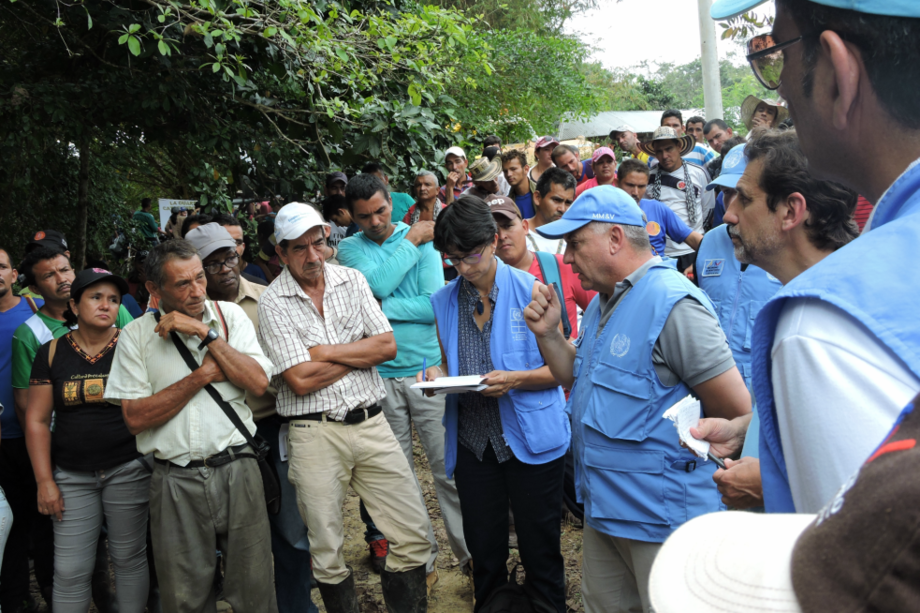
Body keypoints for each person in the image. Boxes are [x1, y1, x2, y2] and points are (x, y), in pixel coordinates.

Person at [522, 186, 751, 613]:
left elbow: (737, 414)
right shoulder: (602, 303)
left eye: (574, 243)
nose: (567, 258)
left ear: (615, 239)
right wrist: (550, 334)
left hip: (662, 522)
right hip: (606, 510)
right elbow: (576, 375)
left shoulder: (673, 305)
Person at [692, 126, 913, 515]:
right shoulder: (853, 285)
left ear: (791, 211)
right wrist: (747, 430)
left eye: (744, 199)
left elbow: (861, 505)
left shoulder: (810, 326)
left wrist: (771, 486)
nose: (728, 214)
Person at [256, 203, 431, 613]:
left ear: (327, 241)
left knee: (413, 532)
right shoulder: (273, 302)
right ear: (280, 253)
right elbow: (298, 380)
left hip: (371, 422)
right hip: (313, 432)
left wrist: (324, 353)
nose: (312, 256)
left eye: (318, 243)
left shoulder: (352, 280)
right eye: (299, 248)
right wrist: (358, 352)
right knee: (326, 546)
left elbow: (387, 347)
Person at [103, 240, 276, 613]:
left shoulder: (229, 316)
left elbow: (258, 383)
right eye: (183, 284)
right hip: (173, 478)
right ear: (154, 289)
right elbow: (135, 418)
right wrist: (203, 376)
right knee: (184, 597)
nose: (197, 290)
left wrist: (205, 333)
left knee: (255, 589)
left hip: (238, 466)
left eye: (200, 277)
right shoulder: (135, 336)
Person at [420, 196, 570, 612]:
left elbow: (563, 370)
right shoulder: (444, 301)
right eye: (453, 260)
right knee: (484, 553)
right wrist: (436, 376)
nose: (464, 268)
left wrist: (515, 380)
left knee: (540, 550)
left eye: (471, 256)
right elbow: (449, 362)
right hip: (474, 445)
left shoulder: (532, 291)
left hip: (531, 441)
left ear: (492, 240)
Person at [650, 392, 920, 613]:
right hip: (780, 543)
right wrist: (742, 433)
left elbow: (865, 484)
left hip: (815, 554)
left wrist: (769, 485)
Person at [338, 174, 470, 592]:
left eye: (380, 210)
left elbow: (431, 304)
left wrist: (379, 304)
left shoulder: (427, 239)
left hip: (426, 372)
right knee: (398, 479)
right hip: (376, 377)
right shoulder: (348, 249)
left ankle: (471, 560)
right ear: (352, 217)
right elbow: (371, 289)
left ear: (390, 202)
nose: (375, 221)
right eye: (364, 216)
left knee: (446, 470)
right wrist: (408, 244)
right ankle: (422, 560)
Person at [184, 223, 319, 613]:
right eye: (211, 264)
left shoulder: (269, 300)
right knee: (233, 539)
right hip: (217, 436)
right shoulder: (186, 316)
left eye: (229, 257)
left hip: (272, 426)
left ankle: (298, 607)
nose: (225, 268)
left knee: (291, 531)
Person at [25, 269, 150, 613]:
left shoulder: (134, 343)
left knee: (129, 560)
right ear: (74, 305)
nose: (106, 305)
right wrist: (44, 481)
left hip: (128, 468)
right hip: (71, 476)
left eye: (113, 299)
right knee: (70, 570)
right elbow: (36, 420)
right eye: (95, 297)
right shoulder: (51, 352)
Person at [696, 144, 783, 509]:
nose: (730, 208)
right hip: (714, 394)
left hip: (768, 398)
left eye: (742, 196)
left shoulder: (784, 249)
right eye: (725, 193)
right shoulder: (710, 244)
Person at [0, 247, 52, 613]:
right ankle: (15, 597)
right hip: (2, 442)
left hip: (34, 437)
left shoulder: (34, 311)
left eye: (0, 267)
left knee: (43, 523)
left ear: (14, 273)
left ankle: (55, 596)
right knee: (9, 524)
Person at [489, 195, 594, 339]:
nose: (501, 236)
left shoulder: (561, 266)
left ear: (525, 227)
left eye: (508, 226)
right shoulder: (482, 283)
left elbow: (603, 315)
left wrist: (582, 349)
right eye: (493, 230)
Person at [639, 127, 715, 270]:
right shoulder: (648, 178)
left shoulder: (698, 174)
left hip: (692, 249)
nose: (665, 155)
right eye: (659, 151)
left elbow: (708, 209)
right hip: (662, 253)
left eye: (669, 149)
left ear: (679, 147)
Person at [617, 159, 703, 258]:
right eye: (630, 185)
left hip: (657, 269)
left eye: (641, 186)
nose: (635, 192)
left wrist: (697, 263)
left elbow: (693, 238)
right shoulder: (605, 213)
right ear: (617, 183)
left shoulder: (657, 208)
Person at [526, 168, 576, 255]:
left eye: (568, 203)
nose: (562, 209)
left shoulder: (574, 238)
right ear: (537, 198)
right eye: (556, 200)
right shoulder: (519, 234)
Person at [211, 213, 269, 286]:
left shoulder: (258, 284)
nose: (233, 249)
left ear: (243, 247)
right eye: (226, 242)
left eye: (237, 243)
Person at [501, 149, 535, 219]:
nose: (509, 174)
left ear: (526, 169)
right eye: (505, 171)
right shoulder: (507, 203)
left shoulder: (542, 194)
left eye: (513, 169)